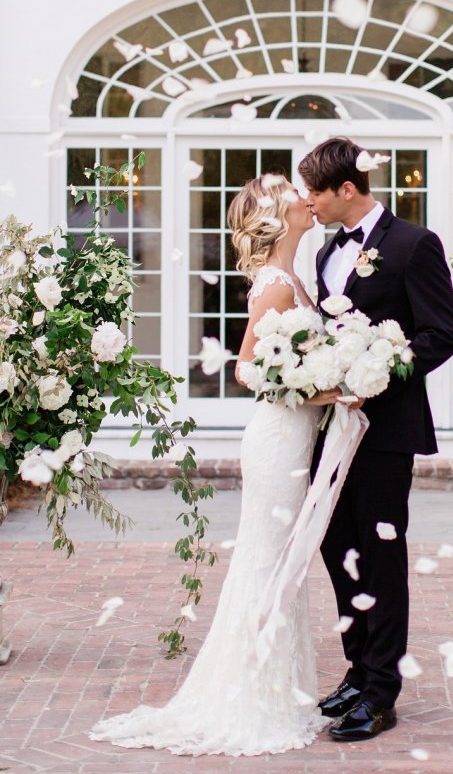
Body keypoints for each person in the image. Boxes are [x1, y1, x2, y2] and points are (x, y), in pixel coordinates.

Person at [90, 175, 338, 757]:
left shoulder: (295, 277)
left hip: (295, 439)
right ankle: (251, 696)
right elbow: (246, 370)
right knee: (266, 560)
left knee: (282, 564)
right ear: (273, 215)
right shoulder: (275, 286)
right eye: (288, 190)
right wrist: (319, 389)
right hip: (278, 440)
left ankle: (280, 687)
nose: (304, 194)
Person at [299, 137, 453, 743]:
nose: (306, 201)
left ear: (347, 189)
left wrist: (378, 374)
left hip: (386, 429)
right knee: (335, 546)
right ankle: (356, 665)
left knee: (380, 555)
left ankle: (381, 691)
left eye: (314, 190)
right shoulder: (322, 253)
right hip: (329, 427)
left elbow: (441, 334)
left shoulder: (414, 244)